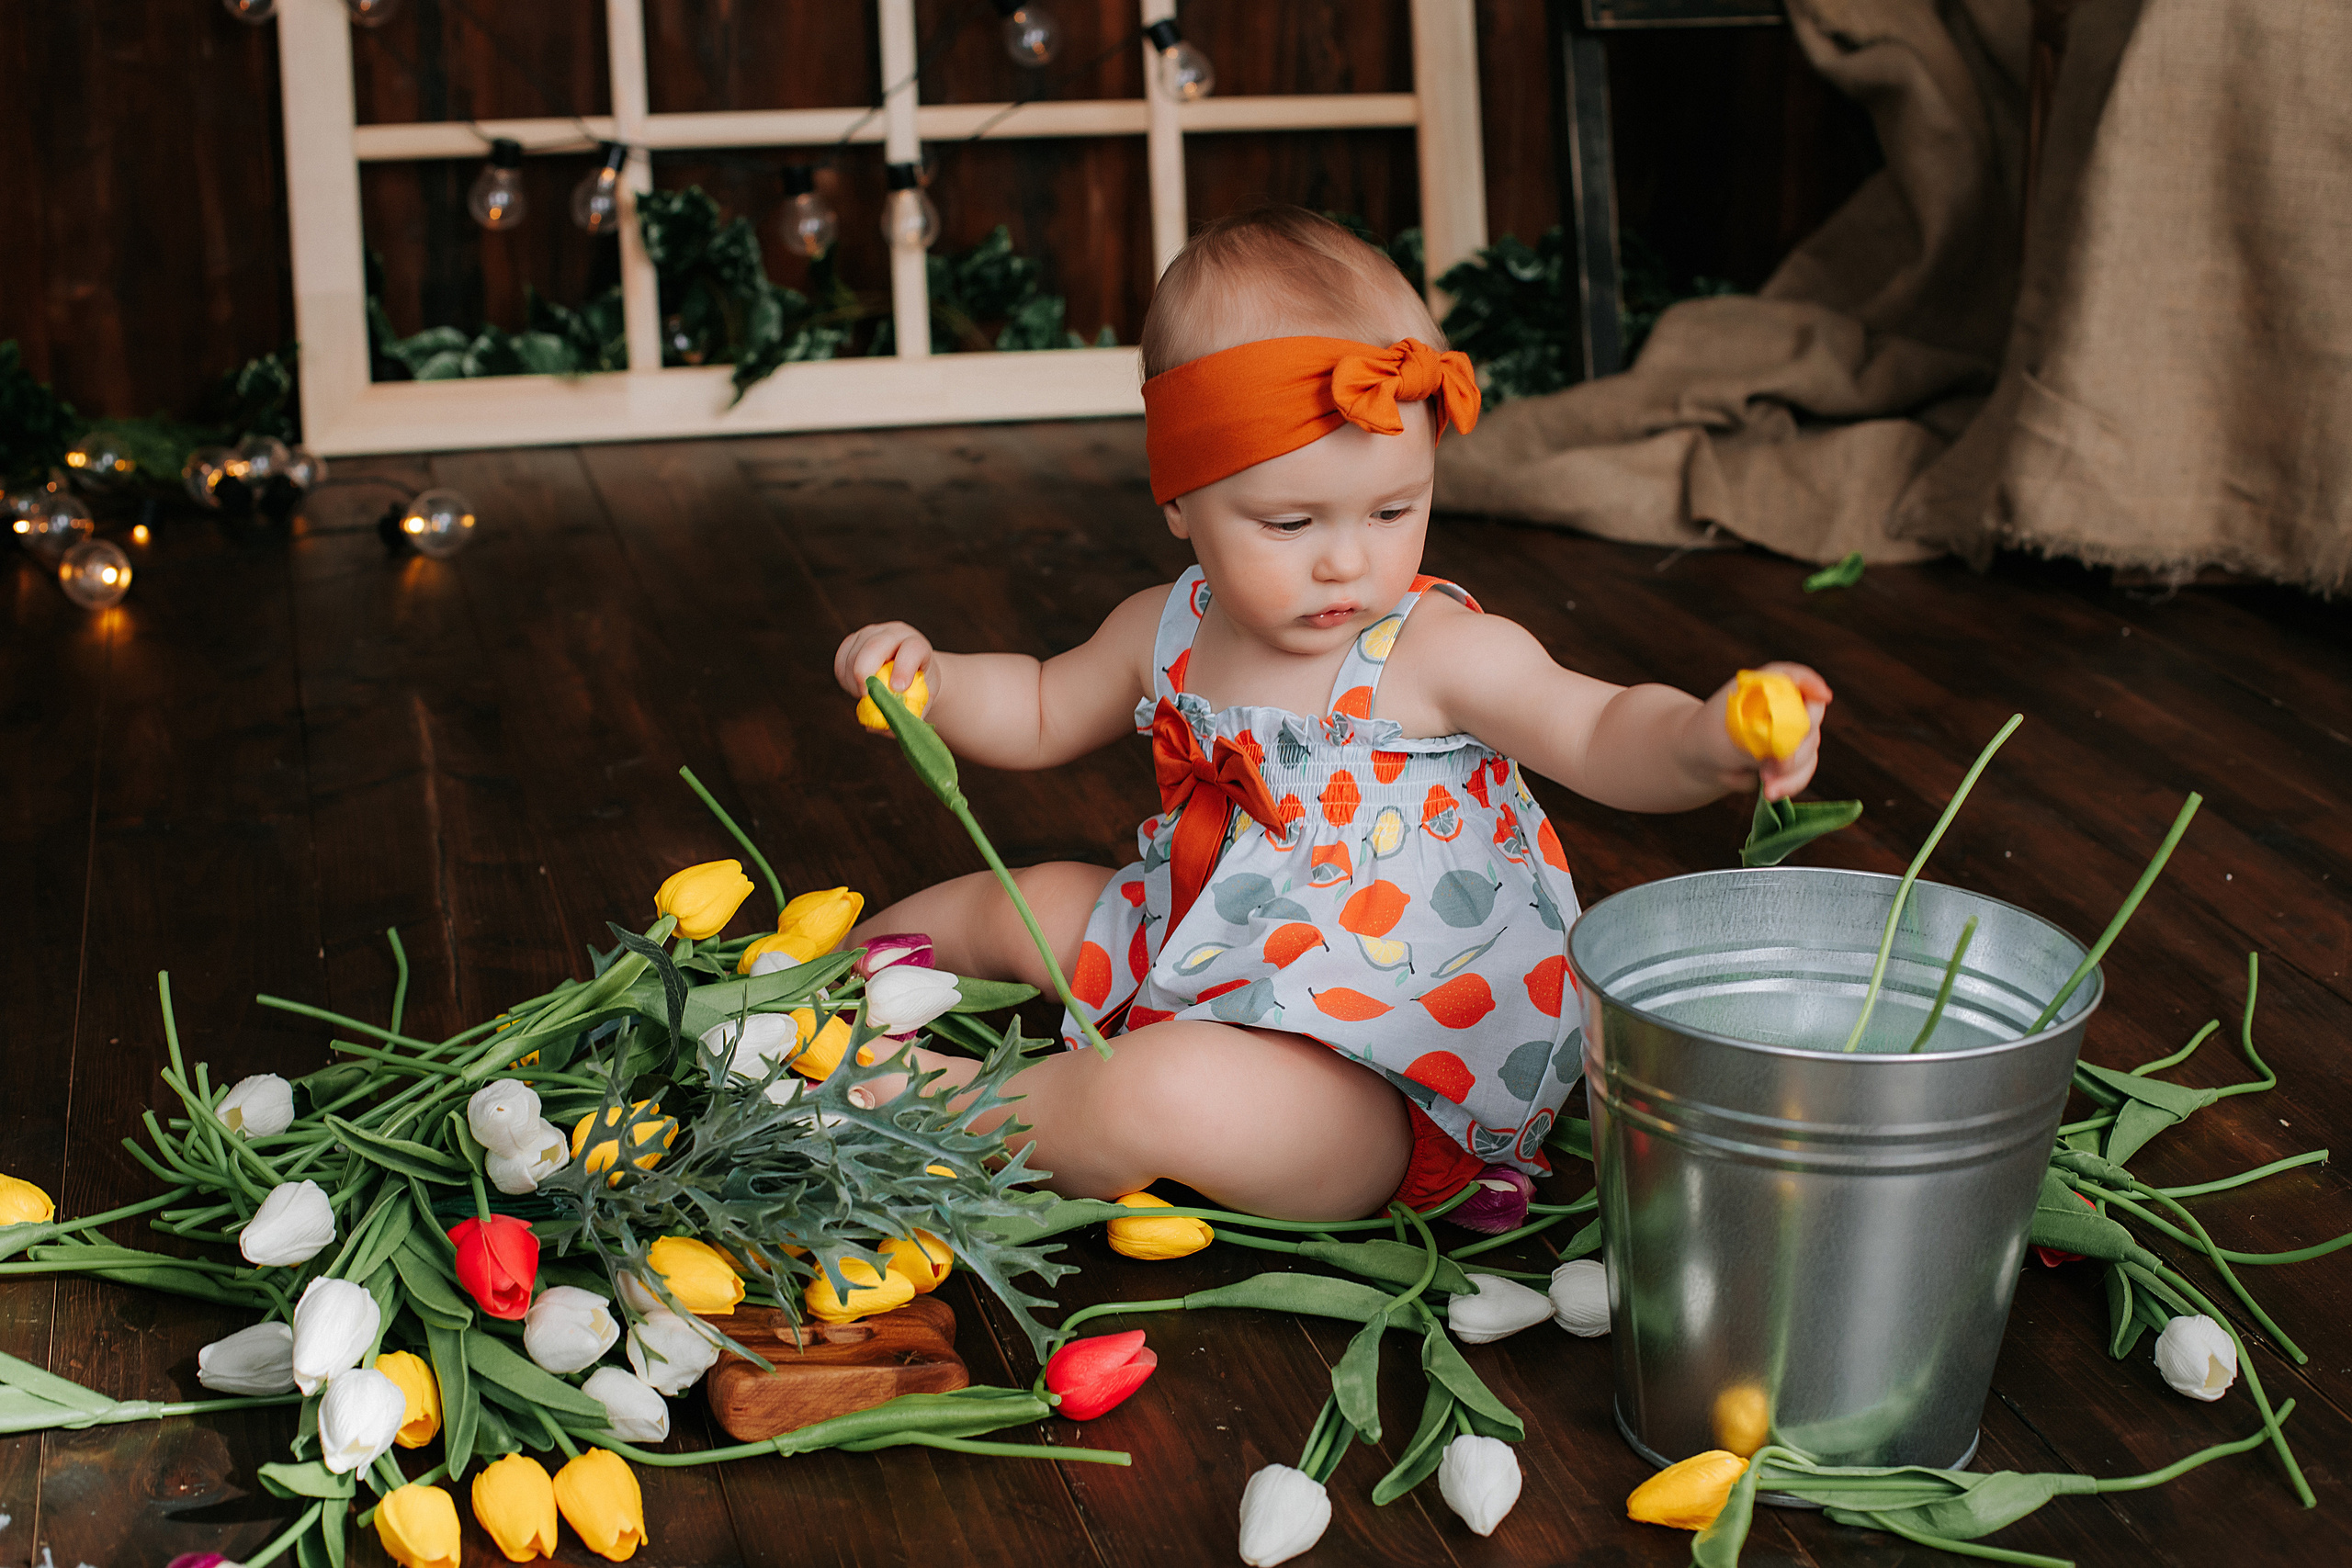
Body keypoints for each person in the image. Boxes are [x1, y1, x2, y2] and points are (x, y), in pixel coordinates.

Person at [831, 207, 1829, 1226]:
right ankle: (812, 986)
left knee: (1156, 1090)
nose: (1346, 561)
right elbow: (1040, 708)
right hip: (1204, 943)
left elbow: (1602, 732)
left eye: (1393, 510)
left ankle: (932, 1113)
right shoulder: (1166, 626)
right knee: (1023, 900)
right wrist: (934, 684)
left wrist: (1707, 739)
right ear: (1180, 500)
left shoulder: (1433, 650)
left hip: (1383, 1076)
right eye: (1290, 523)